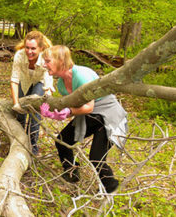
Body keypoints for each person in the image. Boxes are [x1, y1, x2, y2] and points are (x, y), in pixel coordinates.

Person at [40, 45, 128, 193]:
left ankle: (111, 187)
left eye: (47, 61)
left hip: (108, 115)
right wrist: (54, 114)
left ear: (60, 60)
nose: (43, 64)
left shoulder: (81, 75)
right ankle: (71, 173)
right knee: (63, 140)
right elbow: (74, 107)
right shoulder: (61, 84)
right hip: (90, 116)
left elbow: (89, 107)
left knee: (96, 158)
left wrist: (69, 112)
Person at [10, 31, 55, 155]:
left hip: (39, 82)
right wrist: (16, 104)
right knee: (20, 113)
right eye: (27, 48)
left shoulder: (46, 58)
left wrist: (46, 102)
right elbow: (14, 80)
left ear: (41, 48)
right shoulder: (19, 55)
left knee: (34, 113)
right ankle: (18, 143)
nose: (29, 51)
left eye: (33, 49)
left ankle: (32, 148)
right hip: (24, 81)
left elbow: (47, 83)